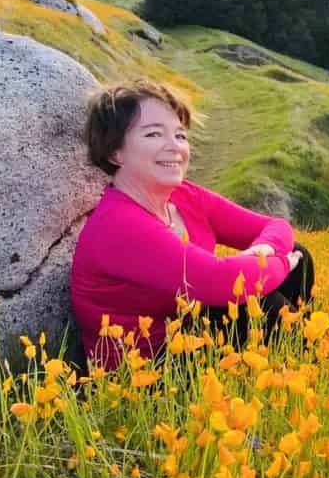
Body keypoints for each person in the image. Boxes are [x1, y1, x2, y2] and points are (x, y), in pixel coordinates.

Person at [70, 81, 314, 366]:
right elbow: (219, 282)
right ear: (115, 153)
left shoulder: (185, 197)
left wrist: (264, 251)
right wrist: (282, 262)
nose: (174, 147)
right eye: (153, 134)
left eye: (180, 136)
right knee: (257, 302)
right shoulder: (119, 224)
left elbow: (276, 226)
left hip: (187, 336)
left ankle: (296, 359)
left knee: (299, 256)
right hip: (142, 371)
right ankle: (311, 366)